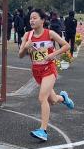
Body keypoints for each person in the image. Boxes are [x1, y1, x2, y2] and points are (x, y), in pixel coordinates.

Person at [19, 9, 74, 141]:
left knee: (42, 97)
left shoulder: (50, 33)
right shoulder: (27, 35)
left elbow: (66, 46)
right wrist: (26, 47)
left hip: (49, 69)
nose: (31, 20)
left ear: (42, 20)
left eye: (35, 18)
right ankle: (63, 98)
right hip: (36, 71)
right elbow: (20, 55)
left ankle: (43, 131)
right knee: (53, 100)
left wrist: (52, 55)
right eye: (30, 18)